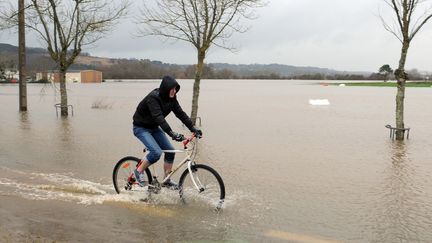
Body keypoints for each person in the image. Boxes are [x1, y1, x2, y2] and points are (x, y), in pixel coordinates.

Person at [132, 76, 202, 189]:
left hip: (154, 128)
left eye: (176, 89)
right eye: (172, 89)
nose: (174, 91)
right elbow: (159, 118)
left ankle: (166, 180)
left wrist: (193, 129)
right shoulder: (153, 98)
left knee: (170, 151)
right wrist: (172, 133)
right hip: (141, 128)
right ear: (165, 88)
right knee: (156, 153)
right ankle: (138, 172)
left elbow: (181, 114)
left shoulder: (172, 98)